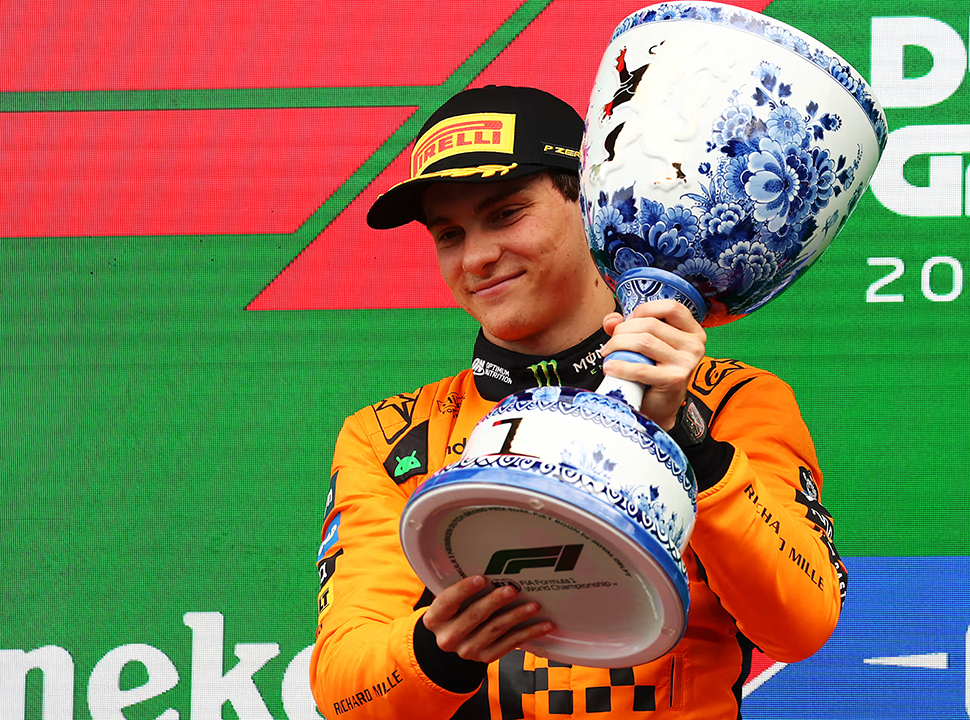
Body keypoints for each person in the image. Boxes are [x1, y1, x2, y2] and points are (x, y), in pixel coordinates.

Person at [310, 85, 846, 720]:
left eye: (506, 214)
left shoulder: (728, 401)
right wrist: (436, 651)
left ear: (591, 204)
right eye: (448, 233)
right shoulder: (391, 435)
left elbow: (800, 625)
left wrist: (691, 445)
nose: (476, 257)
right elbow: (344, 693)